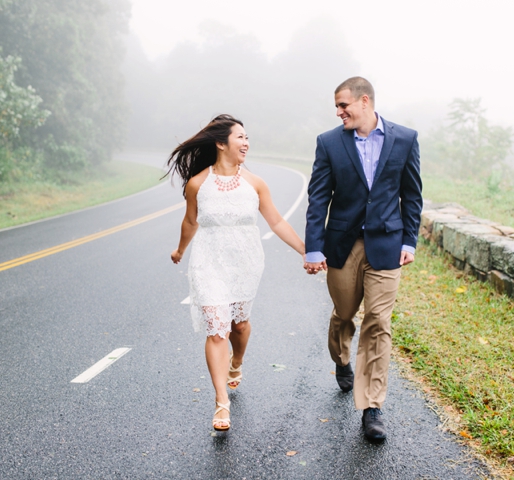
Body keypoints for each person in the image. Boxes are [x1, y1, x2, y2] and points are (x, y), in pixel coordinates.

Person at [168, 114, 305, 432]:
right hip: (208, 264)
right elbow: (191, 222)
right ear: (221, 143)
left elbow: (277, 223)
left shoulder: (255, 184)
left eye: (247, 137)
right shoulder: (198, 184)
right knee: (217, 330)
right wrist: (179, 250)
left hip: (245, 264)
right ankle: (221, 403)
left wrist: (305, 250)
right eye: (240, 137)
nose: (246, 143)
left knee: (239, 326)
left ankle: (237, 361)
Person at [304, 77, 423, 442]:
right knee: (344, 313)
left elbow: (412, 195)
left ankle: (371, 407)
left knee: (378, 320)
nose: (339, 113)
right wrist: (314, 247)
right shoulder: (329, 142)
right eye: (337, 108)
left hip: (386, 246)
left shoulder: (405, 138)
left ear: (364, 101)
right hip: (342, 245)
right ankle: (342, 360)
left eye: (343, 106)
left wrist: (410, 241)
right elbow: (318, 198)